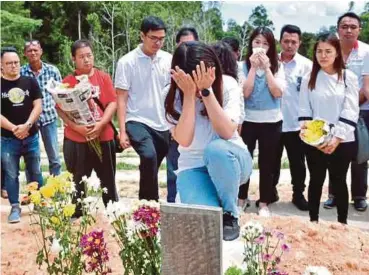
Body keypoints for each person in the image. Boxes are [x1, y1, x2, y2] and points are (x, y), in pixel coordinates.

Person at [165, 41, 252, 241]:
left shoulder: (228, 85)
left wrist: (207, 91)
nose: (195, 87)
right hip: (193, 167)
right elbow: (184, 140)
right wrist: (188, 96)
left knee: (216, 150)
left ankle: (230, 213)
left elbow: (227, 132)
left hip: (231, 160)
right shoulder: (170, 97)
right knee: (207, 223)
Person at [299, 33, 359, 224]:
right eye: (319, 51)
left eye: (328, 51)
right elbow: (304, 108)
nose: (323, 56)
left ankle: (342, 222)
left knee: (339, 181)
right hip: (314, 141)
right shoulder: (310, 77)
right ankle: (313, 221)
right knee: (315, 180)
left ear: (337, 53)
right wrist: (316, 140)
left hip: (343, 140)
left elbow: (351, 109)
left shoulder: (348, 77)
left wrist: (336, 138)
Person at [57, 40, 118, 218]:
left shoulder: (103, 77)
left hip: (103, 136)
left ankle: (112, 209)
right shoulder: (67, 82)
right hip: (77, 139)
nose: (86, 60)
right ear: (73, 59)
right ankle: (78, 212)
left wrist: (100, 125)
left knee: (108, 177)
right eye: (82, 56)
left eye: (89, 55)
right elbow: (60, 109)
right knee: (78, 178)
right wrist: (77, 127)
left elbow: (112, 103)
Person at [115, 16, 172, 201]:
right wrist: (122, 131)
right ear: (142, 36)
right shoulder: (127, 62)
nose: (158, 42)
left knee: (151, 165)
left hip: (163, 123)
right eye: (153, 38)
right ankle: (152, 205)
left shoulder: (168, 59)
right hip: (137, 120)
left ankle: (144, 206)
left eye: (161, 38)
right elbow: (121, 98)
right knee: (148, 156)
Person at [238, 27, 286, 217]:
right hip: (248, 120)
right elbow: (245, 92)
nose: (260, 47)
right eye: (257, 42)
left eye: (265, 43)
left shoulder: (278, 67)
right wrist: (252, 68)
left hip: (271, 122)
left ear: (271, 47)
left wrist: (266, 68)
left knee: (267, 164)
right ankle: (241, 198)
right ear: (251, 44)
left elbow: (277, 92)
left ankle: (264, 202)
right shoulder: (241, 66)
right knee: (244, 161)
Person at [324, 12, 369, 211]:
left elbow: (367, 89)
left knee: (360, 155)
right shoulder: (329, 51)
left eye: (353, 27)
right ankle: (334, 194)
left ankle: (359, 195)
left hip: (362, 112)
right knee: (334, 153)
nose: (348, 30)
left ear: (359, 29)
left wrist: (348, 107)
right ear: (338, 29)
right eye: (344, 26)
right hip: (334, 113)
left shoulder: (367, 52)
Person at [1, 47, 43, 223]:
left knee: (35, 171)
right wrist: (14, 129)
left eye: (16, 62)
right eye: (9, 63)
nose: (13, 66)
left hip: (31, 135)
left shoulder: (30, 82)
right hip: (8, 138)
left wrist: (27, 125)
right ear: (1, 65)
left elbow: (38, 105)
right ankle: (15, 206)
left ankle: (39, 203)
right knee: (11, 174)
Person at [273, 24, 312, 211]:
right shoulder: (271, 62)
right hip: (272, 122)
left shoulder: (307, 66)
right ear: (280, 41)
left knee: (298, 162)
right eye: (286, 41)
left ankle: (298, 194)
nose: (289, 45)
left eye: (293, 42)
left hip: (297, 124)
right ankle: (270, 192)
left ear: (299, 43)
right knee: (271, 161)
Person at [165, 27, 199, 203]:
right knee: (173, 169)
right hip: (175, 126)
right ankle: (172, 202)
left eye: (191, 45)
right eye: (183, 45)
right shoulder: (170, 71)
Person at [20, 40, 62, 177]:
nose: (33, 53)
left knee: (54, 157)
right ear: (25, 54)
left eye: (35, 50)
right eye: (29, 50)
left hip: (49, 118)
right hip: (29, 121)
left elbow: (60, 94)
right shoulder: (21, 73)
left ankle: (57, 189)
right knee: (32, 158)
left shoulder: (52, 71)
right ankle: (34, 190)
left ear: (41, 51)